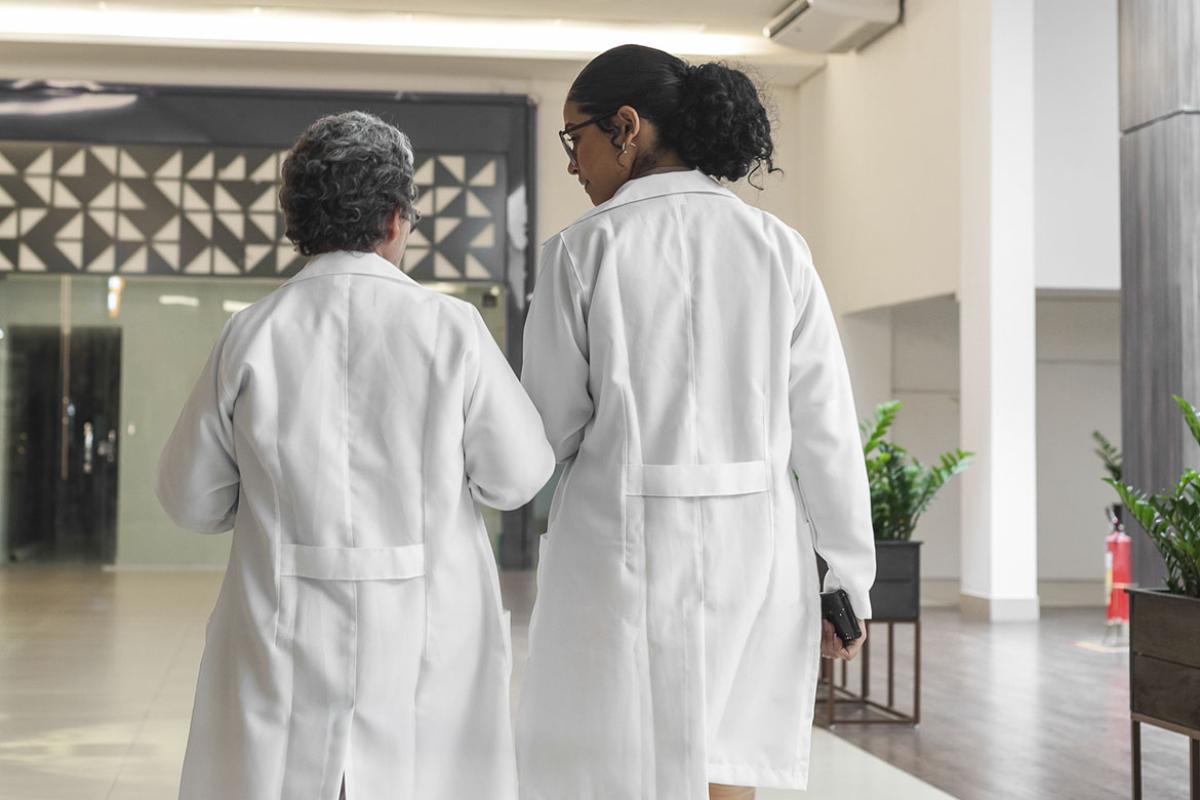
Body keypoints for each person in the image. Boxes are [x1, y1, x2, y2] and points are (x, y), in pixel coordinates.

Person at [155, 111, 554, 800]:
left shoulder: (250, 334)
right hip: (427, 629)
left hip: (283, 624)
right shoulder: (450, 327)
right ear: (397, 218)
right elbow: (517, 478)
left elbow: (189, 498)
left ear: (297, 221)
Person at [515, 45, 876, 800]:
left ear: (626, 127)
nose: (573, 164)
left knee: (614, 762)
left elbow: (549, 429)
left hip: (618, 543)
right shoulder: (779, 248)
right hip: (755, 545)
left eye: (574, 138)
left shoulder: (582, 251)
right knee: (728, 755)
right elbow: (827, 431)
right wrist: (846, 578)